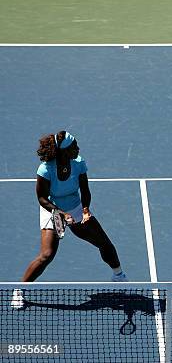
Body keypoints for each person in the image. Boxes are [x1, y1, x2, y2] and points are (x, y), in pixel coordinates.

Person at [12, 131, 127, 309]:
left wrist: (86, 209)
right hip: (52, 209)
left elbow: (85, 190)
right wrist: (61, 214)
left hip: (75, 206)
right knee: (46, 255)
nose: (77, 149)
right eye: (73, 146)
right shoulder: (46, 169)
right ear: (63, 151)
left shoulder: (78, 163)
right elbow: (42, 198)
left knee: (104, 242)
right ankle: (18, 291)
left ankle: (119, 275)